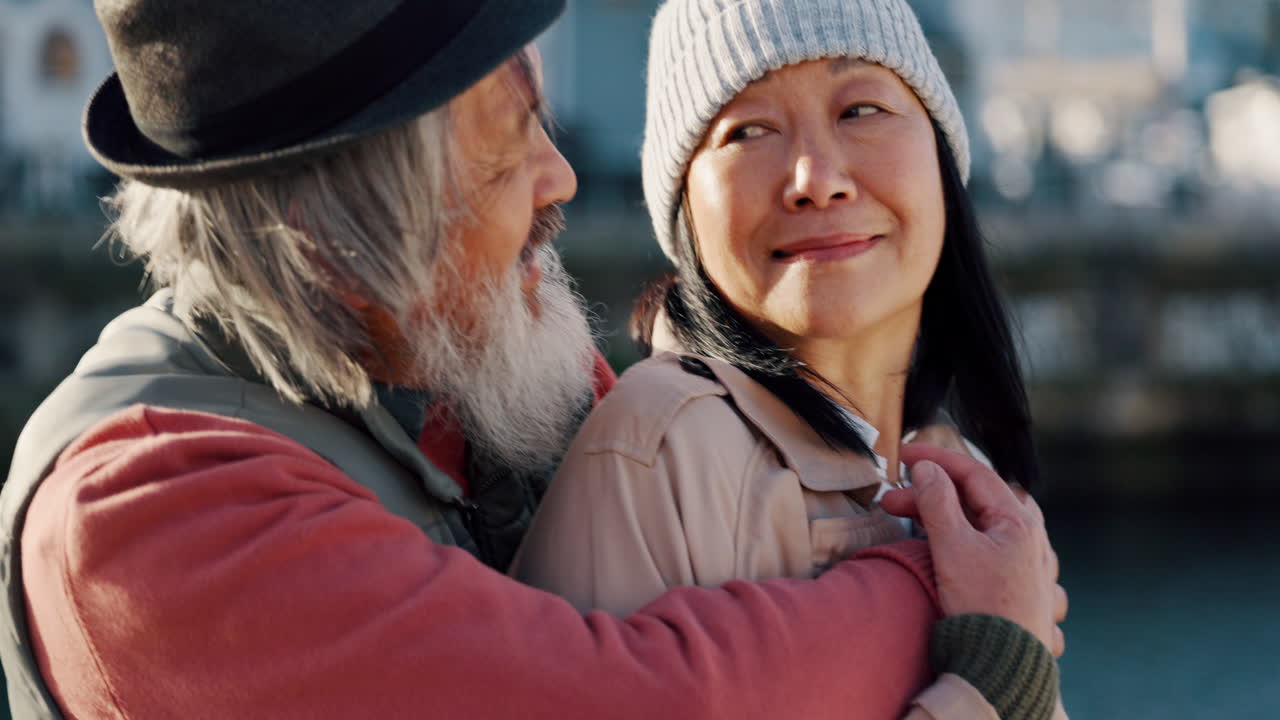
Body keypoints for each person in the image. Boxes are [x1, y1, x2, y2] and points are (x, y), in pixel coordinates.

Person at [0, 1, 1060, 719]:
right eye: (510, 140)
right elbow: (636, 703)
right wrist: (954, 590)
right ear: (342, 223)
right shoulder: (146, 511)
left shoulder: (470, 383)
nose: (560, 179)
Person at [513, 0, 1067, 718]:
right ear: (683, 209)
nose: (817, 176)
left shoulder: (965, 476)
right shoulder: (656, 453)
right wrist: (995, 683)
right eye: (748, 130)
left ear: (939, 153)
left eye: (861, 109)